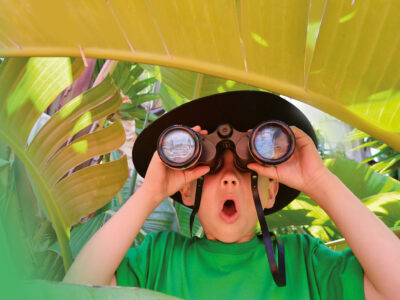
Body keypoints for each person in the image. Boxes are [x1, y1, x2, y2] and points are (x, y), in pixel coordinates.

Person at [63, 91, 400, 300]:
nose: (228, 179)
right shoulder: (157, 259)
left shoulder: (305, 263)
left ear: (270, 193)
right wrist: (149, 192)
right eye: (209, 169)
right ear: (188, 189)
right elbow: (74, 292)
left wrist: (317, 178)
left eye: (246, 169)